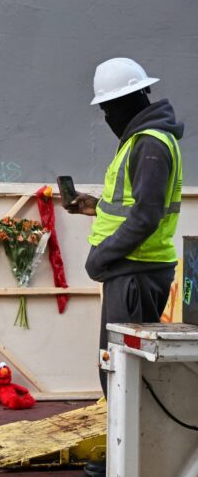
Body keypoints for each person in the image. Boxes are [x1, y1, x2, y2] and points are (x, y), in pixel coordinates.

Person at [66, 57, 183, 398]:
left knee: (123, 374)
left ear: (124, 104)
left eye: (107, 110)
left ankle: (130, 451)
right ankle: (126, 448)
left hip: (135, 272)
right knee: (117, 367)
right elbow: (135, 207)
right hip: (132, 270)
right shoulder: (143, 140)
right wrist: (97, 206)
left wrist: (99, 258)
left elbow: (145, 218)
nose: (106, 118)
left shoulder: (149, 144)